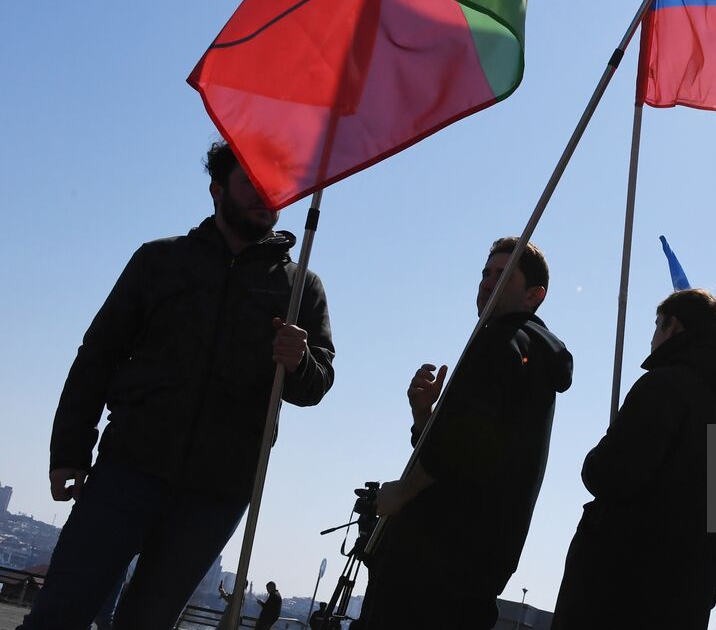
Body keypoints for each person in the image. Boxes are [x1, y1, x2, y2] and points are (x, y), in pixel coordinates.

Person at [21, 142, 335, 630]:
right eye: (249, 184)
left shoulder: (302, 289)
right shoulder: (159, 261)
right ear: (216, 191)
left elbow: (316, 384)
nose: (264, 197)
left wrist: (299, 363)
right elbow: (97, 357)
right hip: (127, 469)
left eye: (272, 186)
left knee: (148, 623)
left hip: (219, 490)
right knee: (59, 614)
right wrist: (68, 450)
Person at [357, 237, 572, 630]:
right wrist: (426, 419)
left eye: (503, 275)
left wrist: (399, 494)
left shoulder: (498, 342)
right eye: (486, 273)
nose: (487, 283)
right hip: (478, 567)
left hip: (430, 564)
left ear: (534, 295)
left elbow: (455, 450)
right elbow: (476, 450)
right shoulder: (534, 361)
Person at [553, 288, 716, 630]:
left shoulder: (664, 386)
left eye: (657, 325)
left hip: (621, 588)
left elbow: (610, 473)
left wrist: (597, 456)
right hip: (682, 597)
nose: (652, 338)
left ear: (673, 326)